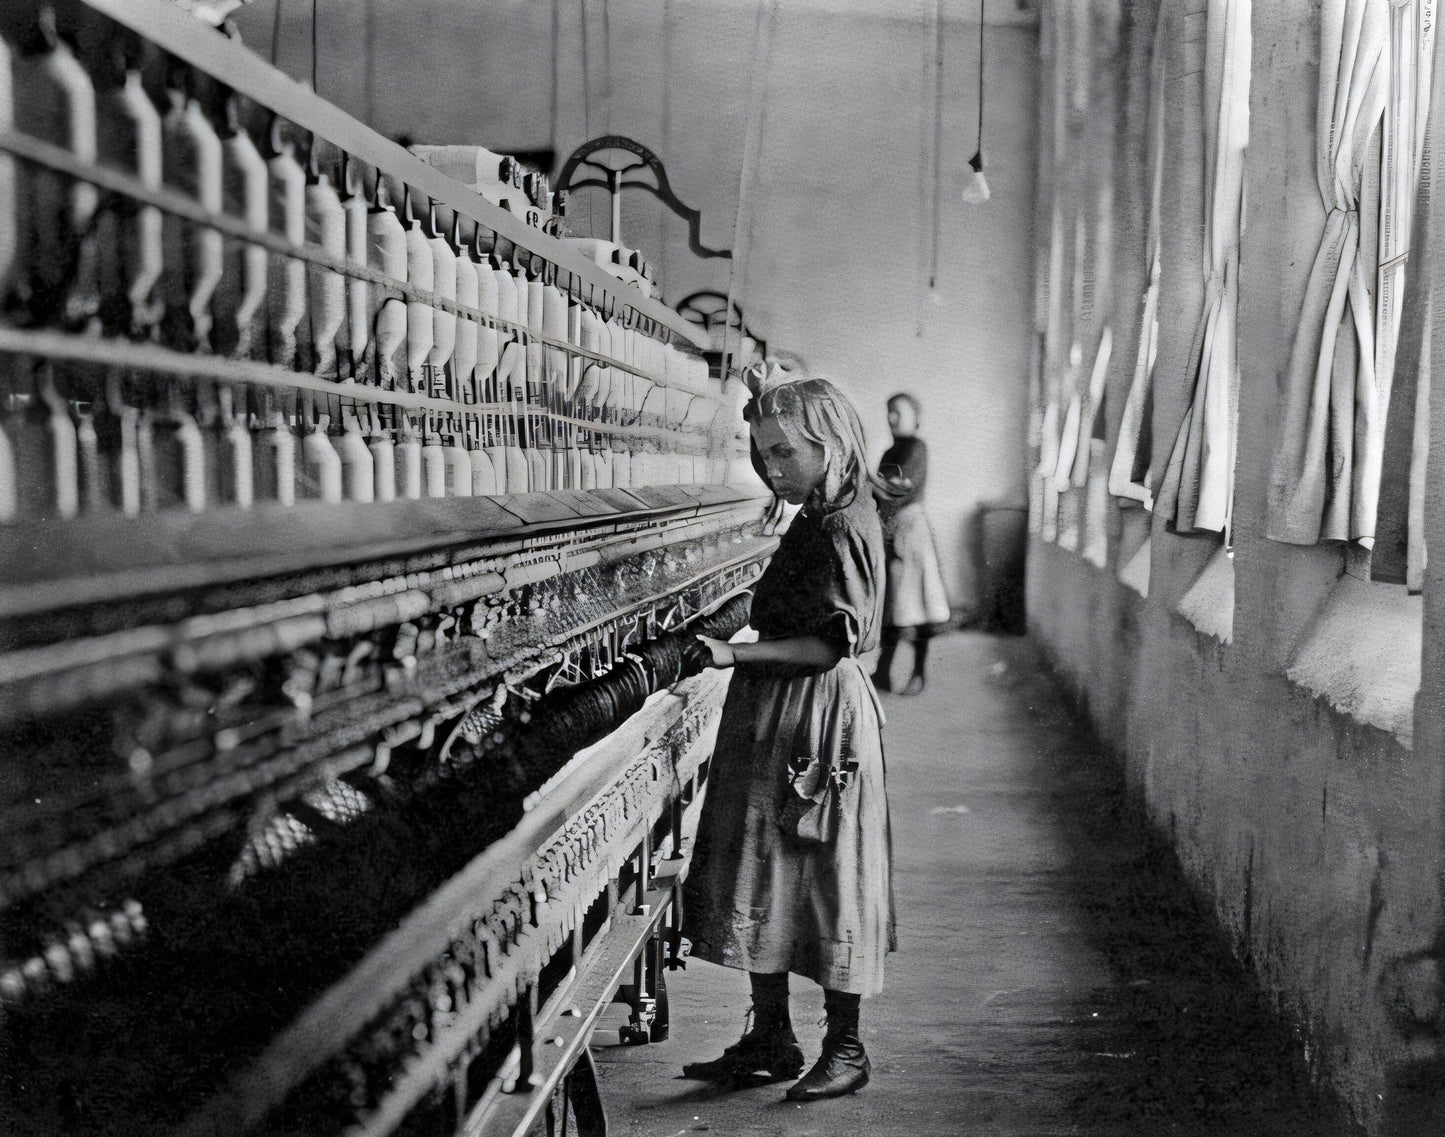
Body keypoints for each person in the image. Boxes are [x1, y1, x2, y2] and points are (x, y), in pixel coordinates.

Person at [684, 374, 897, 1102]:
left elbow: (829, 645)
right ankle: (771, 1034)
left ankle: (846, 1046)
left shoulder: (838, 523)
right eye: (757, 451)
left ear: (829, 446)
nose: (767, 467)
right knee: (766, 865)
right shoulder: (818, 512)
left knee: (826, 875)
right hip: (779, 711)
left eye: (782, 452)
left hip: (814, 714)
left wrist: (729, 653)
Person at [873, 393, 951, 695]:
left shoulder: (917, 448)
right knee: (894, 605)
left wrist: (871, 481)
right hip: (890, 531)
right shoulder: (890, 451)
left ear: (915, 417)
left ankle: (918, 673)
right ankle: (883, 671)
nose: (892, 419)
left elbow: (896, 489)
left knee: (919, 607)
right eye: (889, 412)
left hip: (911, 532)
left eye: (899, 413)